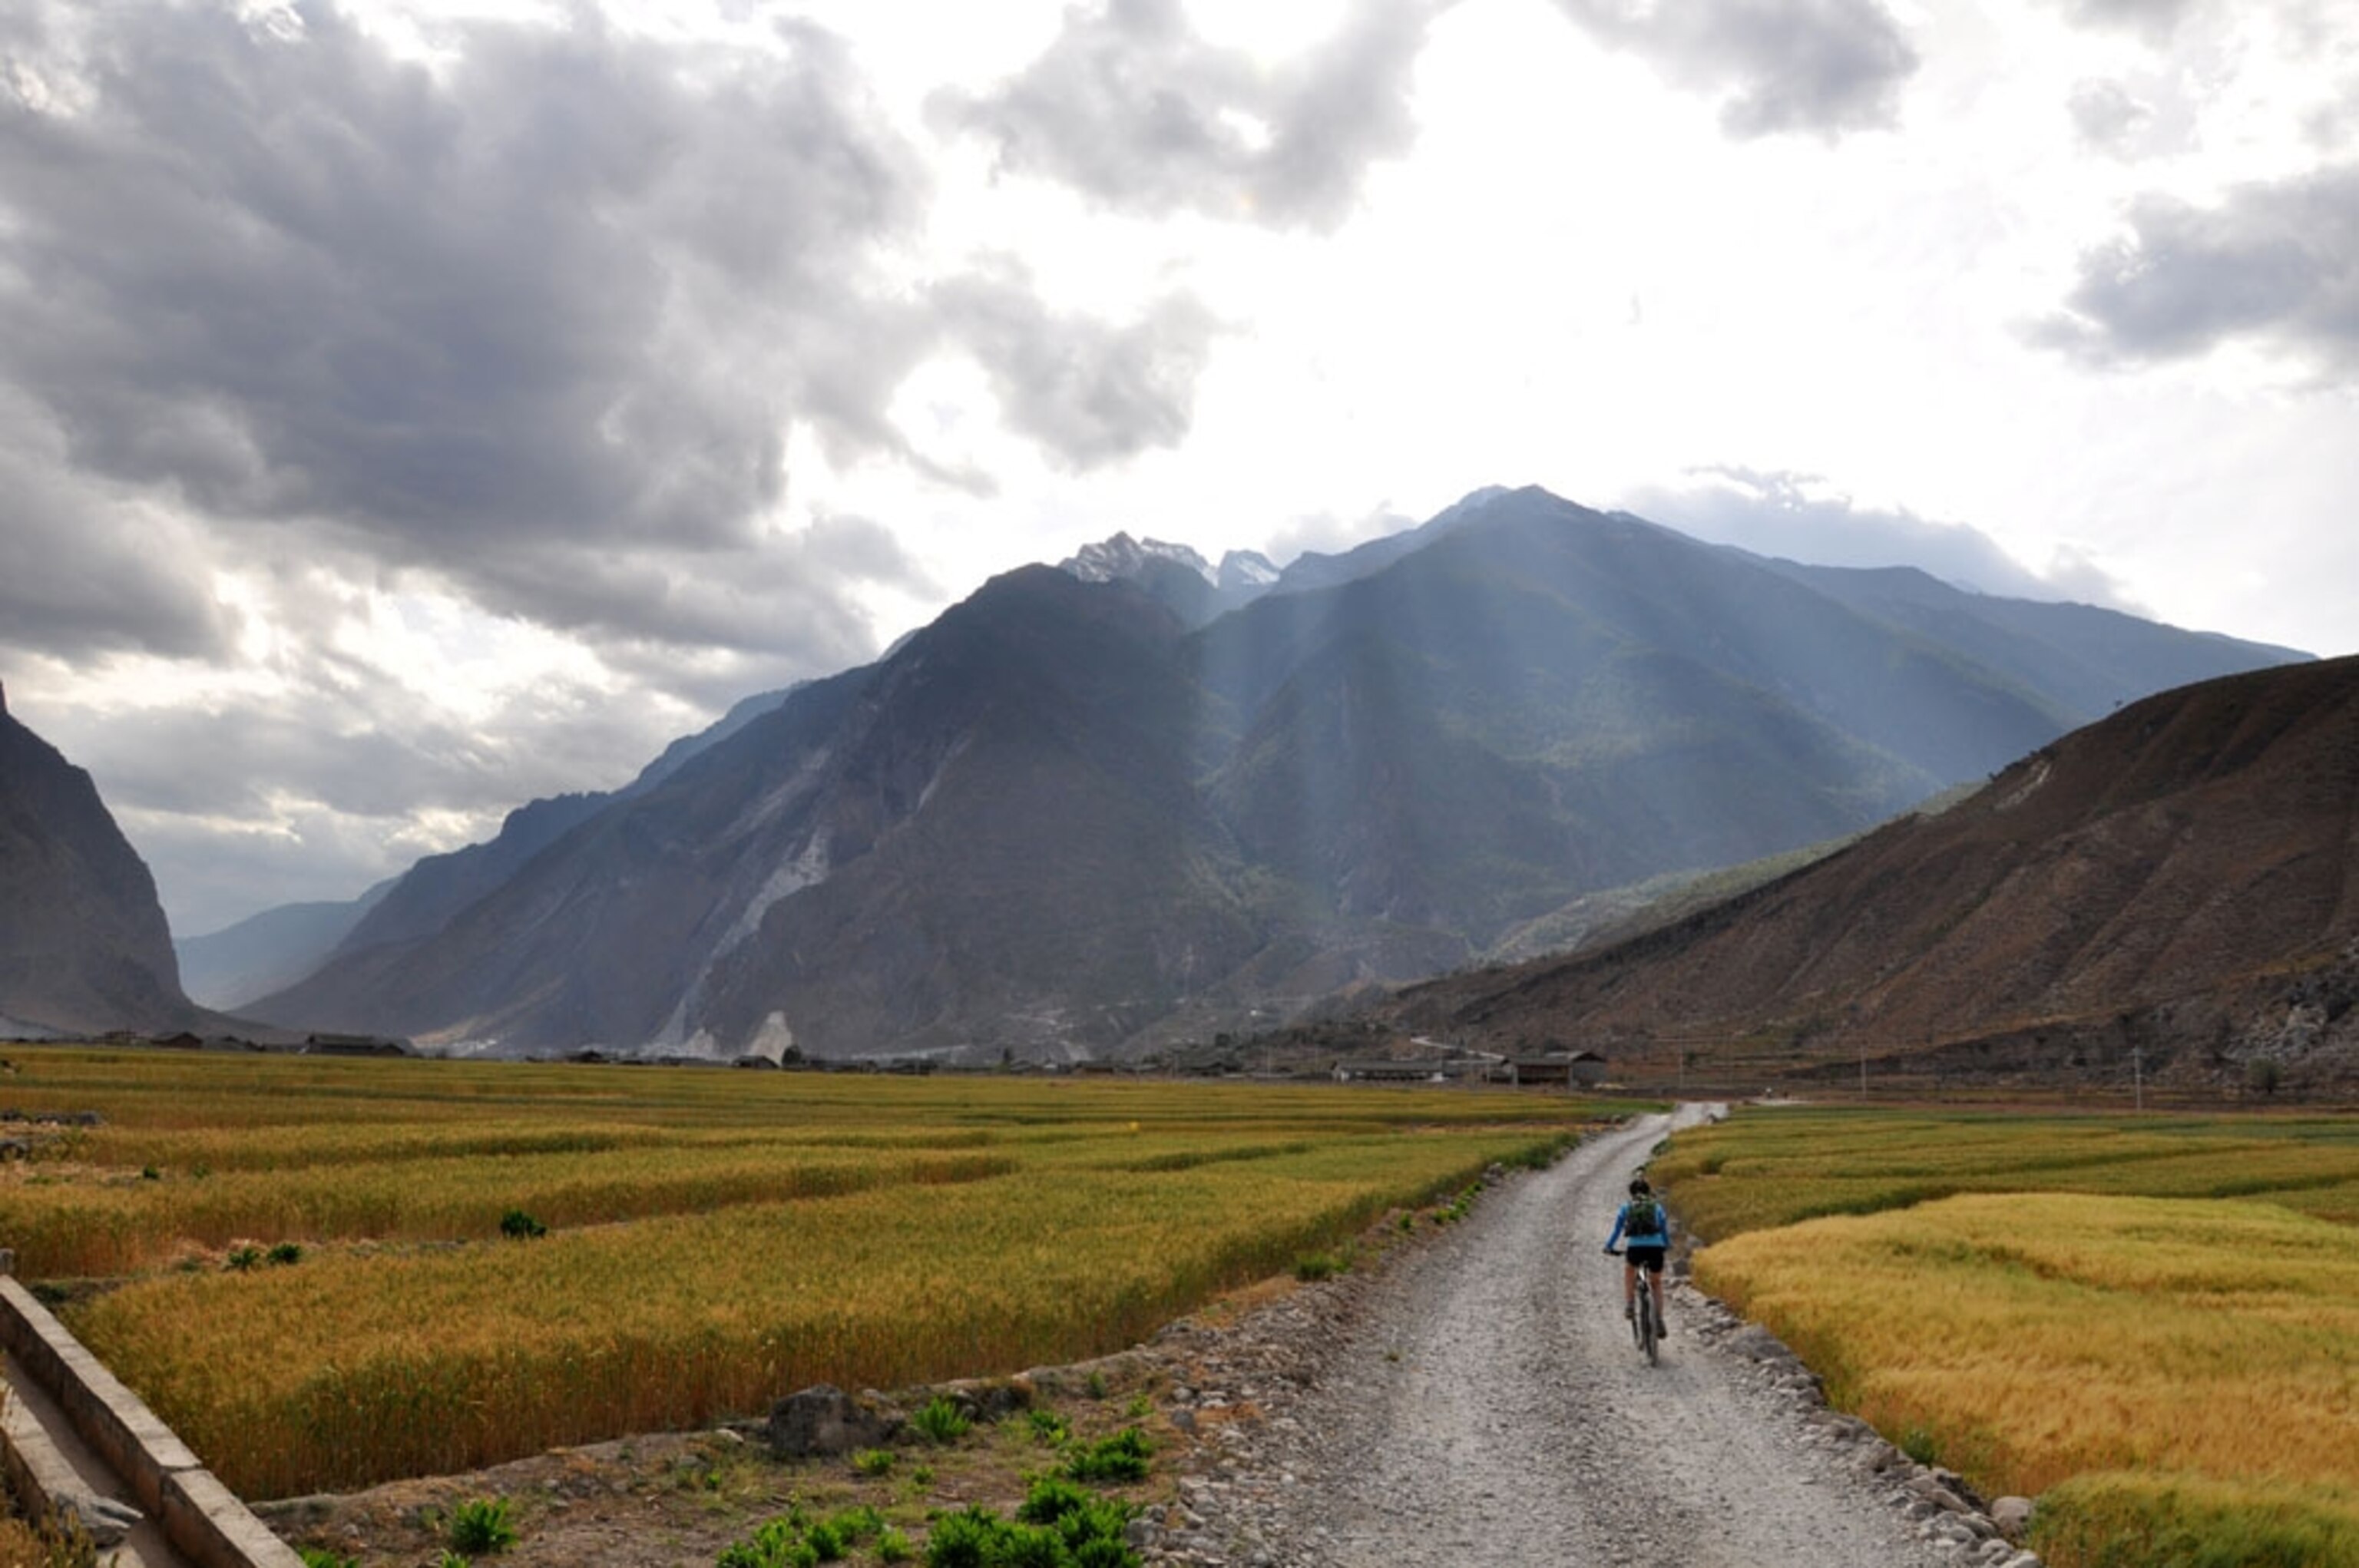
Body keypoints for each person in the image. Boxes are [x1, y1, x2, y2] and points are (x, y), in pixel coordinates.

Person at [1603, 1175, 1669, 1334]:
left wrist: (1609, 1246)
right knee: (1656, 1283)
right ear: (1648, 1192)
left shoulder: (1626, 1207)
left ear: (1631, 1193)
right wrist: (1666, 1245)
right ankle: (1659, 1320)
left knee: (1629, 1272)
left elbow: (1617, 1230)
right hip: (1656, 1249)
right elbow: (1663, 1230)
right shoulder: (1657, 1207)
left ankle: (1630, 1305)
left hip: (1636, 1249)